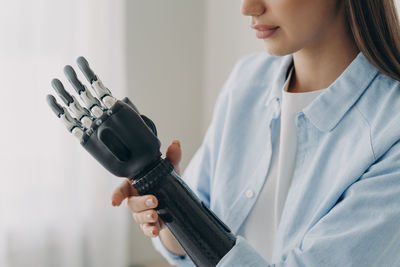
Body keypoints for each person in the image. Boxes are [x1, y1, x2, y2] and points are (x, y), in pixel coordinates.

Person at [111, 0, 400, 266]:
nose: (248, 7)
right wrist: (166, 198)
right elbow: (188, 247)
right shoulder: (247, 81)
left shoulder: (391, 128)